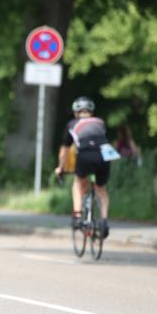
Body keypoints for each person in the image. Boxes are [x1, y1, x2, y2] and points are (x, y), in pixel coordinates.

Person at [54, 97, 111, 238]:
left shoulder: (72, 124)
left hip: (85, 155)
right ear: (91, 112)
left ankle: (78, 216)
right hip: (104, 155)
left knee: (78, 183)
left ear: (75, 112)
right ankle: (104, 221)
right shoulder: (100, 122)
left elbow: (65, 151)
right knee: (101, 189)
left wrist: (60, 168)